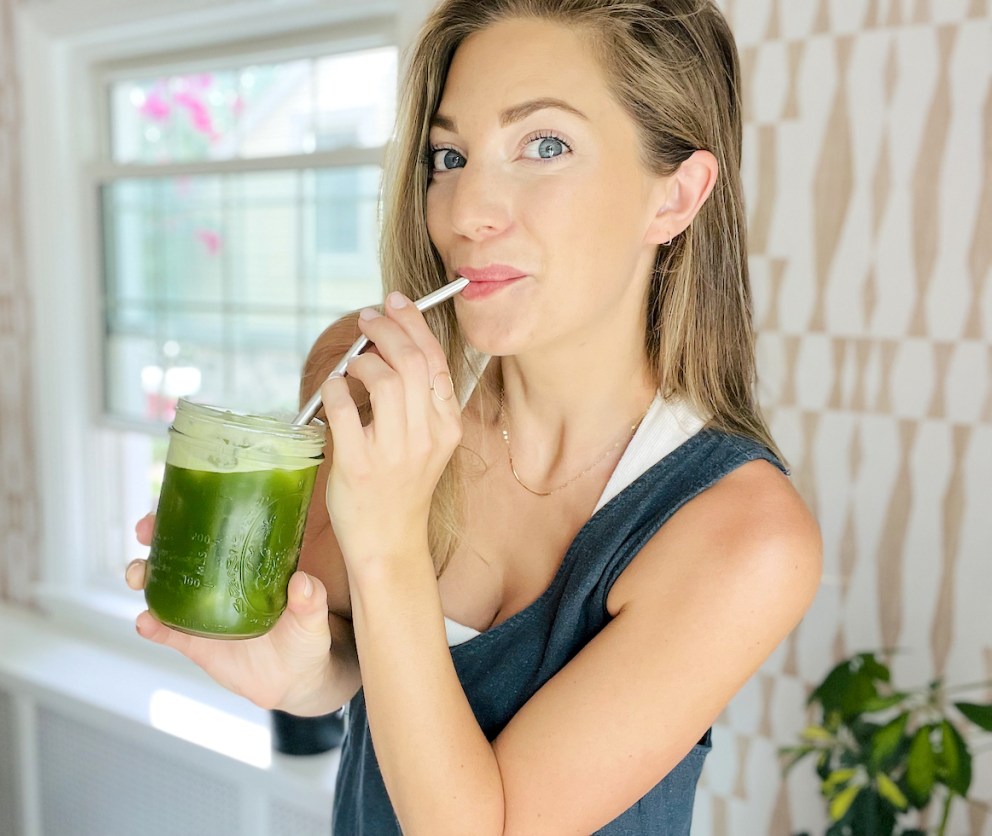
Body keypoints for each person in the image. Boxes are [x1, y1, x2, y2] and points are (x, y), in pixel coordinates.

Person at [127, 0, 822, 832]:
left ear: (675, 198)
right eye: (449, 156)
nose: (467, 211)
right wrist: (301, 675)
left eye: (546, 146)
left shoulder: (743, 535)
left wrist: (388, 535)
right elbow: (355, 660)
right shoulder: (370, 376)